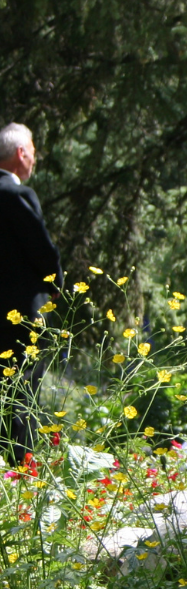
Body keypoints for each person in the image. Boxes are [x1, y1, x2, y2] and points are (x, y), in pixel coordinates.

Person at [0, 123, 63, 464]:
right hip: (20, 313)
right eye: (33, 152)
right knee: (22, 391)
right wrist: (56, 288)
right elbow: (44, 252)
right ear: (20, 153)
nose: (34, 160)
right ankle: (18, 471)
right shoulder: (16, 194)